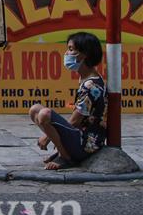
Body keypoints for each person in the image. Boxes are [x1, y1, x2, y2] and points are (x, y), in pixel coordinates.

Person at [29, 32, 107, 170]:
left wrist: (47, 137)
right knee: (35, 109)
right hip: (80, 136)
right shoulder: (86, 78)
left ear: (84, 54)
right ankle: (62, 151)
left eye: (71, 49)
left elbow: (75, 121)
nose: (66, 53)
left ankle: (66, 158)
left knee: (44, 114)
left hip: (86, 145)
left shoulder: (91, 86)